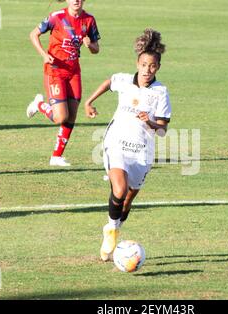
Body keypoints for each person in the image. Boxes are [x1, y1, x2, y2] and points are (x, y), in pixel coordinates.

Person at [84, 29, 171, 261]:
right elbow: (108, 82)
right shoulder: (124, 80)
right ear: (138, 63)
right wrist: (89, 102)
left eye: (152, 66)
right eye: (143, 65)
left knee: (127, 201)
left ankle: (113, 226)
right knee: (119, 190)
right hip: (117, 144)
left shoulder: (161, 92)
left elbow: (163, 129)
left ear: (158, 68)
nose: (147, 70)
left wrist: (150, 122)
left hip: (142, 152)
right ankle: (111, 230)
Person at [26, 0, 100, 166]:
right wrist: (44, 54)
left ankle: (56, 157)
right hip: (54, 71)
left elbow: (96, 49)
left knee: (72, 115)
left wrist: (90, 45)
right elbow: (33, 34)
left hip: (74, 73)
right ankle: (39, 105)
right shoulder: (56, 17)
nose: (76, 0)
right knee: (60, 117)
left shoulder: (89, 20)